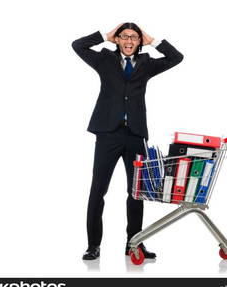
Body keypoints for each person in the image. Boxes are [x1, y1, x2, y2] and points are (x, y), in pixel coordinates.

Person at [72, 22, 183, 260]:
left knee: (137, 192)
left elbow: (177, 57)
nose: (129, 41)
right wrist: (104, 35)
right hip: (107, 133)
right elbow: (77, 45)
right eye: (124, 37)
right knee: (97, 191)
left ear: (139, 40)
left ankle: (134, 243)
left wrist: (152, 40)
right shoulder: (104, 59)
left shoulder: (147, 64)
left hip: (135, 134)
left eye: (134, 37)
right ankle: (93, 245)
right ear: (118, 40)